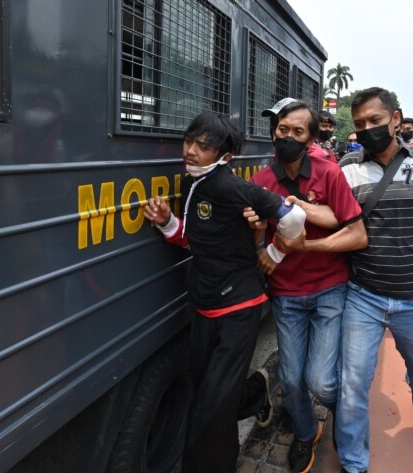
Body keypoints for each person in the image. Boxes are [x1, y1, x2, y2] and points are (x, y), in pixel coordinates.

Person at [142, 111, 307, 473]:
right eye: (189, 142)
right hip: (204, 307)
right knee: (210, 398)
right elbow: (195, 240)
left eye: (203, 146)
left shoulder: (229, 186)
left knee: (208, 414)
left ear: (224, 157)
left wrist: (274, 252)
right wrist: (167, 220)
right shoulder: (194, 184)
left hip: (238, 310)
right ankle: (257, 393)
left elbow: (294, 219)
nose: (191, 151)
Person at [246, 99, 368, 473]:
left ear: (312, 138)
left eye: (298, 131)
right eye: (282, 129)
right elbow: (258, 250)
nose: (288, 137)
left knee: (321, 380)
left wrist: (306, 230)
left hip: (330, 287)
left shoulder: (330, 174)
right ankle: (306, 431)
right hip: (287, 294)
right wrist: (256, 232)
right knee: (290, 378)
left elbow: (355, 231)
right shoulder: (261, 182)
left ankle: (346, 423)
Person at [335, 87, 413, 473]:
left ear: (396, 118)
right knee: (352, 382)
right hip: (363, 294)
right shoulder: (348, 166)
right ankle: (353, 461)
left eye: (375, 121)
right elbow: (342, 221)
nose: (368, 129)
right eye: (360, 124)